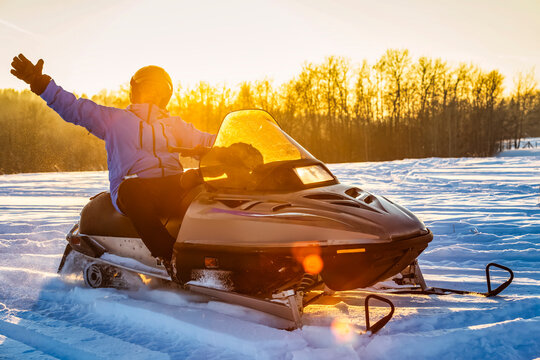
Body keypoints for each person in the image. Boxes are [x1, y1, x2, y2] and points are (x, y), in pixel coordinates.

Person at [10, 54, 215, 274]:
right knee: (133, 190)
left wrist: (239, 144)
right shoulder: (116, 120)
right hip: (134, 188)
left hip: (172, 185)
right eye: (148, 88)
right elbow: (75, 109)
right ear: (136, 91)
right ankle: (170, 257)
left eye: (158, 91)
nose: (152, 95)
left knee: (204, 183)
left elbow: (208, 140)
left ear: (166, 95)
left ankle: (225, 248)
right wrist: (41, 84)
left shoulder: (175, 125)